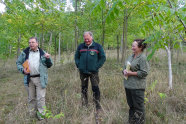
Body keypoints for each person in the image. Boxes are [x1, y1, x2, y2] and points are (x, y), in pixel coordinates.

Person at [16, 37, 53, 120]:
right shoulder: (25, 53)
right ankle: (32, 116)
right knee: (31, 98)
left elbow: (50, 65)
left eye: (33, 42)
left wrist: (48, 58)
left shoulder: (42, 53)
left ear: (37, 43)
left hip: (40, 79)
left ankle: (41, 116)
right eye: (29, 42)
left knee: (40, 98)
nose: (31, 44)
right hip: (29, 79)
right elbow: (18, 63)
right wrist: (22, 70)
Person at [75, 31, 106, 111]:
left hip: (94, 72)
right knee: (84, 89)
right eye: (85, 39)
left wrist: (96, 67)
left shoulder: (98, 46)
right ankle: (84, 105)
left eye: (88, 39)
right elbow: (76, 57)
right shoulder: (80, 46)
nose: (86, 40)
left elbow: (103, 58)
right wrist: (79, 65)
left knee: (95, 88)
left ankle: (97, 106)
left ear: (92, 37)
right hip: (83, 72)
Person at [123, 39, 150, 124]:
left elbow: (144, 72)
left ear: (140, 47)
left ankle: (140, 122)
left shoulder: (142, 58)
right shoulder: (131, 56)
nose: (132, 48)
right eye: (132, 46)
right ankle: (131, 121)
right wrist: (124, 71)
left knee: (139, 108)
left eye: (134, 46)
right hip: (128, 86)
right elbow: (125, 67)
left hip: (137, 87)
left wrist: (131, 73)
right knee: (131, 107)